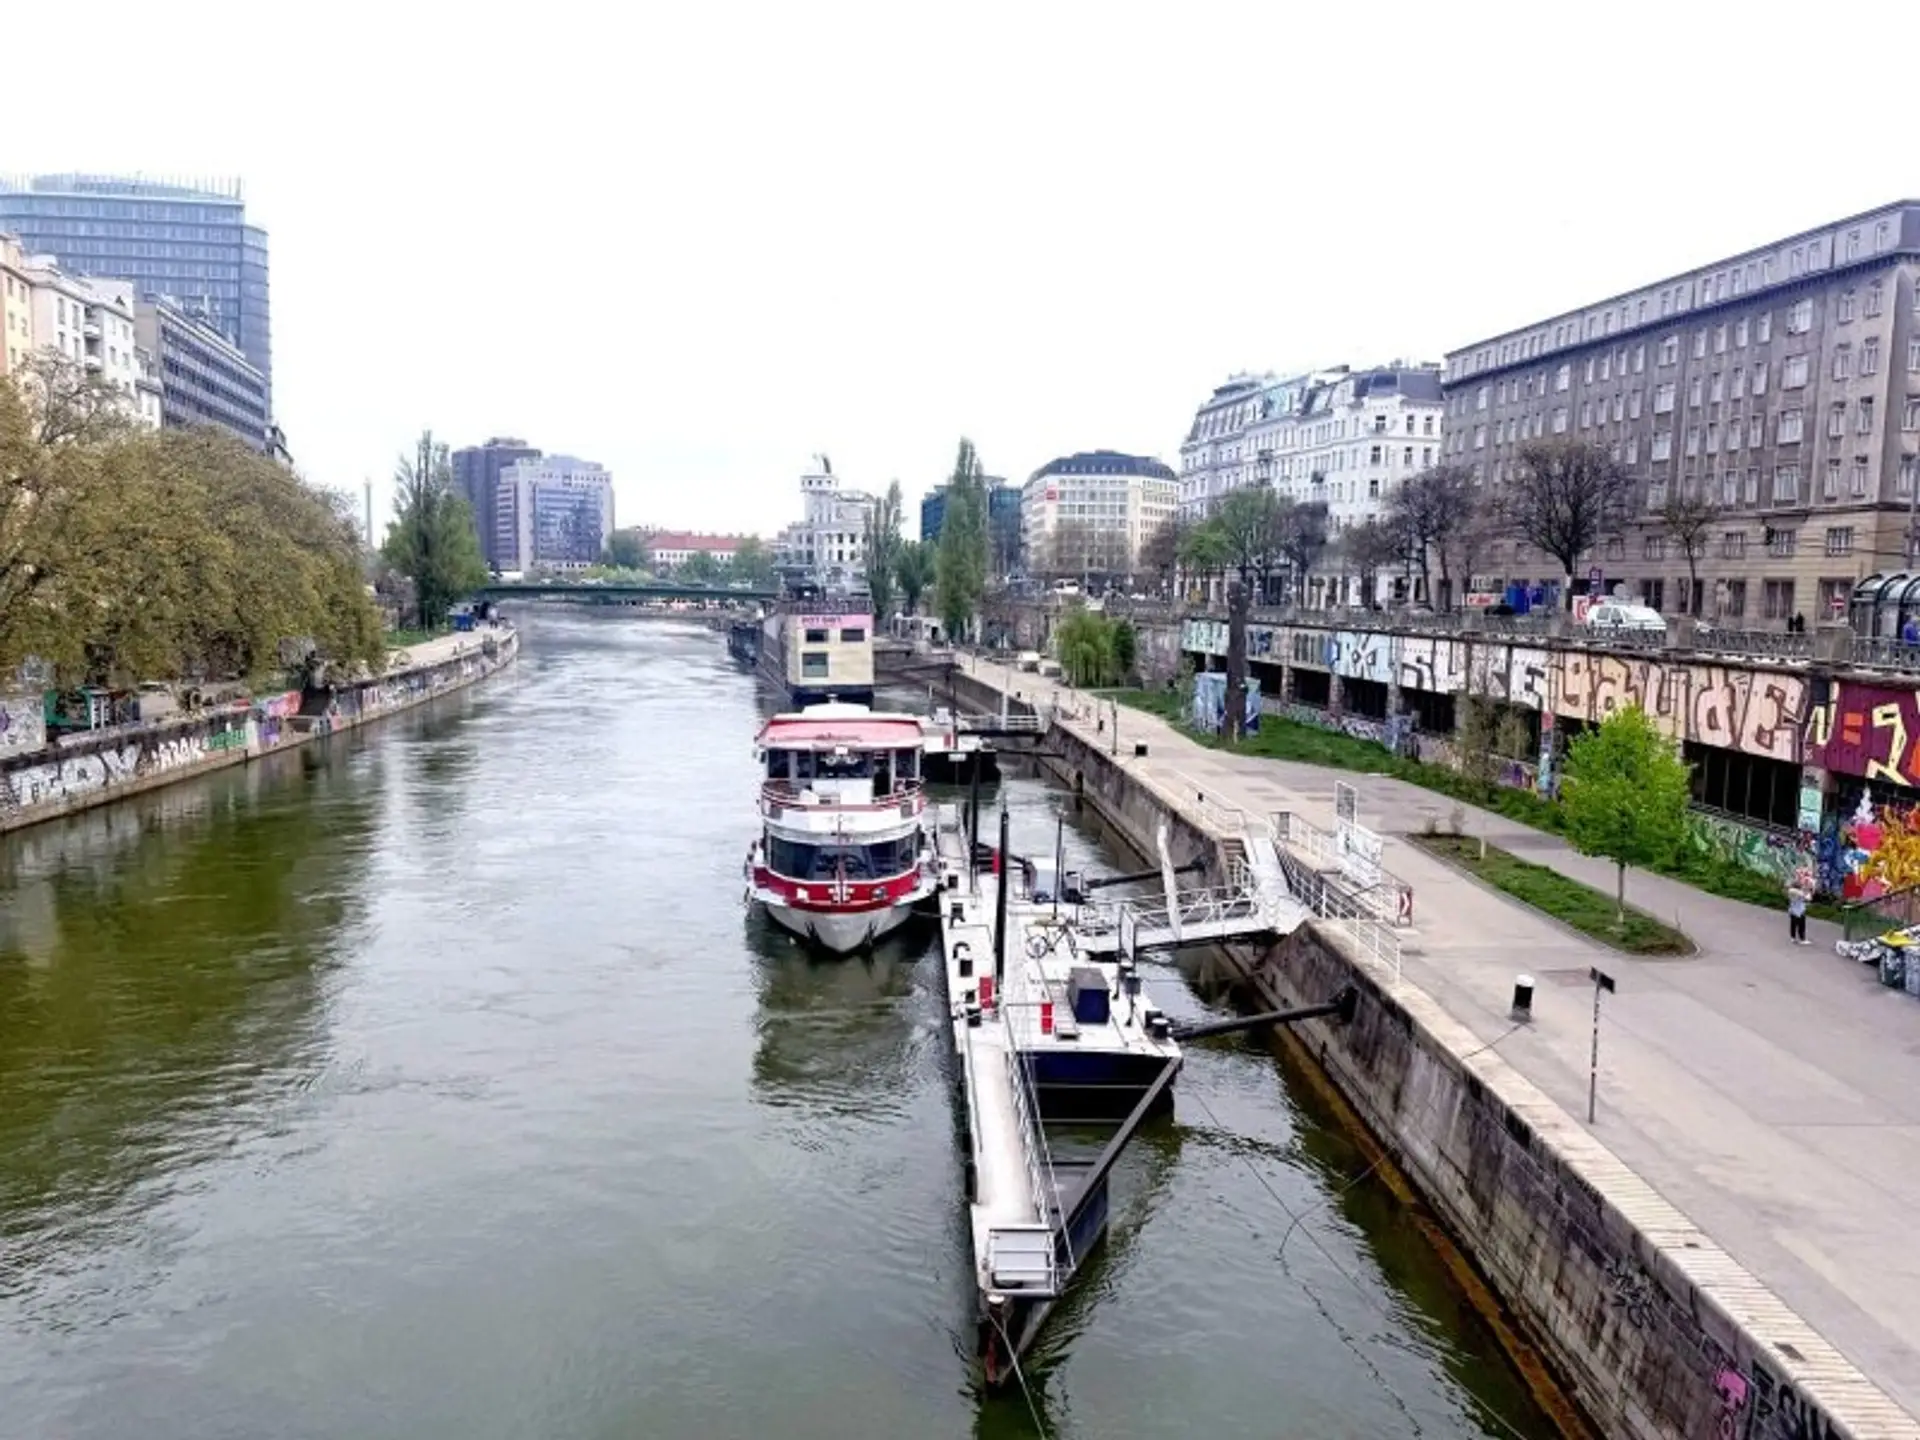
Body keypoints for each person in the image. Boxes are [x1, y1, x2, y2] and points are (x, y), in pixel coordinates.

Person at [1786, 879, 1811, 945]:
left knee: (1793, 925)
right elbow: (1808, 898)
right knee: (1801, 925)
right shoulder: (1798, 892)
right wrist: (1807, 891)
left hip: (1792, 910)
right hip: (1799, 911)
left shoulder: (1790, 891)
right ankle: (1802, 939)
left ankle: (1793, 937)